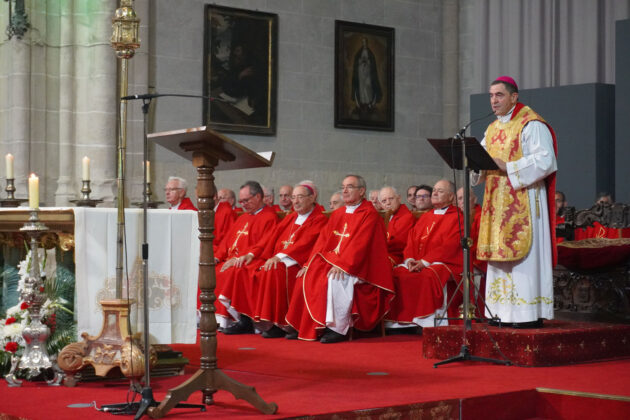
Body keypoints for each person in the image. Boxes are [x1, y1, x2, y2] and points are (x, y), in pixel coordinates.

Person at [474, 76, 558, 328]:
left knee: (523, 257)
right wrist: (473, 166)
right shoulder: (491, 129)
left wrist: (509, 166)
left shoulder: (531, 124)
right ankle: (500, 311)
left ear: (514, 96)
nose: (494, 100)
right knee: (499, 256)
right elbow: (480, 159)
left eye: (499, 95)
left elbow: (546, 161)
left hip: (524, 199)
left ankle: (526, 314)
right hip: (495, 201)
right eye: (490, 95)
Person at [286, 175, 395, 343]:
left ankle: (336, 328)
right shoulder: (338, 213)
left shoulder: (369, 215)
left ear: (361, 191)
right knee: (306, 275)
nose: (344, 190)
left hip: (360, 266)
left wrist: (344, 265)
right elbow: (323, 241)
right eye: (343, 187)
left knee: (334, 278)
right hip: (334, 260)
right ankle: (306, 325)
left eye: (350, 187)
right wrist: (309, 263)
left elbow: (361, 245)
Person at [216, 183, 328, 337]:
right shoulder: (291, 217)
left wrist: (278, 257)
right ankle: (249, 320)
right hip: (278, 259)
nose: (295, 201)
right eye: (293, 197)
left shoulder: (319, 219)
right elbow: (270, 237)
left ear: (312, 198)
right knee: (245, 267)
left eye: (300, 197)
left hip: (297, 262)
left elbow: (305, 244)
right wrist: (252, 254)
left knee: (273, 270)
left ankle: (280, 324)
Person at [387, 180, 463, 329]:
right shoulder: (426, 217)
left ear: (451, 197)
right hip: (418, 262)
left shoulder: (457, 217)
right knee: (397, 272)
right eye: (434, 190)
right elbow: (412, 240)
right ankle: (401, 323)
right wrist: (409, 260)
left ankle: (427, 323)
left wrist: (425, 262)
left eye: (440, 191)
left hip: (446, 262)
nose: (434, 193)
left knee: (430, 275)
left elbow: (450, 246)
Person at [214, 181, 279, 330]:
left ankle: (241, 319)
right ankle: (214, 319)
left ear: (257, 197)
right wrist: (217, 256)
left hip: (254, 259)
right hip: (233, 259)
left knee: (236, 271)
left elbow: (264, 243)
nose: (243, 204)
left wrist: (241, 257)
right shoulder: (243, 217)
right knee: (210, 270)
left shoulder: (269, 217)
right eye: (241, 201)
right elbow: (226, 241)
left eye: (246, 200)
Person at [379, 186, 415, 266]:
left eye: (391, 199)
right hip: (381, 253)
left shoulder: (407, 217)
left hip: (396, 256)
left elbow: (398, 244)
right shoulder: (381, 217)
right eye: (384, 201)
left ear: (399, 198)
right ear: (381, 204)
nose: (388, 203)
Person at [351, 37, 382, 115]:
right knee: (362, 88)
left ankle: (369, 102)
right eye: (363, 42)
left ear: (367, 43)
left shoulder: (370, 53)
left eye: (365, 42)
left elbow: (372, 63)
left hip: (368, 74)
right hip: (361, 74)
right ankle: (362, 102)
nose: (364, 44)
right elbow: (357, 62)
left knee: (368, 87)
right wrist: (361, 61)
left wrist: (367, 62)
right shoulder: (359, 53)